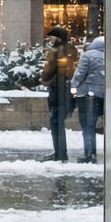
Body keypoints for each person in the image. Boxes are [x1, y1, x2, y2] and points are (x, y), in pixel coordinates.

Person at [41, 25, 79, 162]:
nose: (51, 40)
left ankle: (60, 153)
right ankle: (60, 152)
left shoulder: (57, 50)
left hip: (57, 88)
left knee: (55, 121)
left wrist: (44, 79)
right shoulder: (72, 49)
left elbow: (50, 69)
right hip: (67, 88)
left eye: (53, 37)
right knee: (59, 122)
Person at [72, 36, 105, 164]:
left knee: (87, 125)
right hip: (103, 94)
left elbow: (80, 73)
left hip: (87, 93)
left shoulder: (87, 55)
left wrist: (73, 86)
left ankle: (90, 153)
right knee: (98, 123)